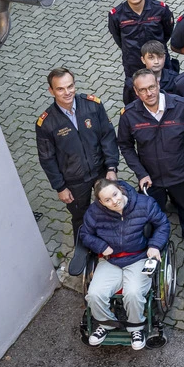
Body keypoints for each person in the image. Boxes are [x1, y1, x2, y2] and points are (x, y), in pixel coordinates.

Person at [116, 69, 184, 263]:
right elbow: (125, 145)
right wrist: (141, 173)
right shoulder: (129, 115)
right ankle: (158, 243)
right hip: (151, 178)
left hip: (181, 174)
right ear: (136, 92)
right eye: (142, 90)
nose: (149, 93)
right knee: (154, 212)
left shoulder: (181, 107)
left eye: (151, 87)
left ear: (158, 84)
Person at [80, 178, 169, 351]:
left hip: (138, 257)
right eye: (107, 200)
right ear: (101, 202)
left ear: (120, 189)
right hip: (110, 260)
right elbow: (84, 234)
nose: (114, 201)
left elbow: (162, 224)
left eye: (115, 194)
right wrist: (100, 246)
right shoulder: (94, 212)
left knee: (133, 293)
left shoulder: (144, 204)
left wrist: (155, 245)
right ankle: (106, 324)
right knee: (95, 294)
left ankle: (136, 328)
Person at [36, 67, 119, 241]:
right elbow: (47, 159)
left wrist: (111, 167)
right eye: (60, 89)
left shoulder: (93, 105)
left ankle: (115, 242)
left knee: (111, 209)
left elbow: (108, 136)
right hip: (74, 182)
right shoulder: (46, 123)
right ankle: (84, 251)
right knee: (81, 218)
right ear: (51, 91)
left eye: (70, 86)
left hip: (101, 172)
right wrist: (60, 187)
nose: (67, 92)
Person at [108, 0, 174, 82]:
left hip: (159, 63)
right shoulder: (116, 15)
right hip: (134, 65)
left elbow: (168, 33)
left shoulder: (160, 9)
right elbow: (119, 39)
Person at [122, 40, 179, 106]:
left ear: (164, 58)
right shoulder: (132, 83)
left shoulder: (175, 79)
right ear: (143, 60)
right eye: (151, 58)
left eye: (160, 57)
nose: (156, 62)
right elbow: (129, 104)